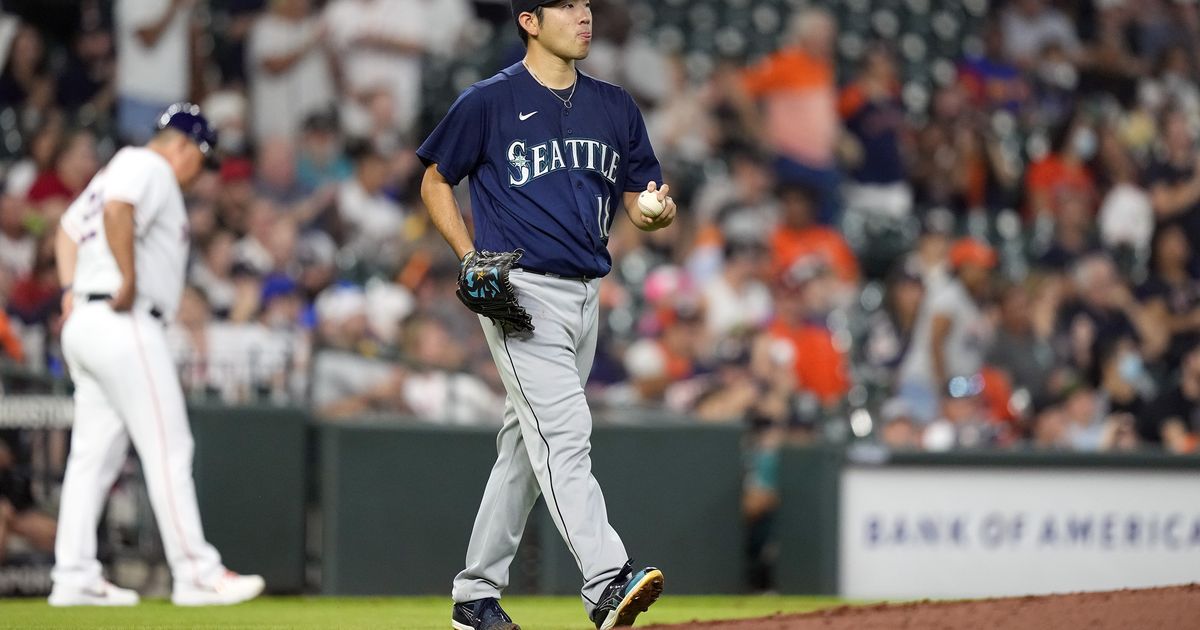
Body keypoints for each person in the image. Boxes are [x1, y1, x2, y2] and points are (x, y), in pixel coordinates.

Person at [417, 2, 671, 628]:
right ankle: (607, 582)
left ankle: (475, 596)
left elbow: (643, 197)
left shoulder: (615, 105)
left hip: (587, 294)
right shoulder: (489, 101)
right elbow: (434, 178)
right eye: (566, 6)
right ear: (529, 20)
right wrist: (468, 253)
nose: (583, 16)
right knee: (564, 435)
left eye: (586, 5)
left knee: (523, 452)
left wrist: (653, 213)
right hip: (522, 293)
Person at [51, 103, 264, 606]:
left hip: (89, 319)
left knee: (92, 458)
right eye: (201, 158)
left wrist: (69, 288)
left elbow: (65, 228)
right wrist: (125, 277)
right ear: (185, 147)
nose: (200, 173)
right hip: (125, 320)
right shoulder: (148, 166)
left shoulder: (118, 169)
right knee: (169, 449)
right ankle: (196, 572)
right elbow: (117, 210)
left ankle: (74, 574)